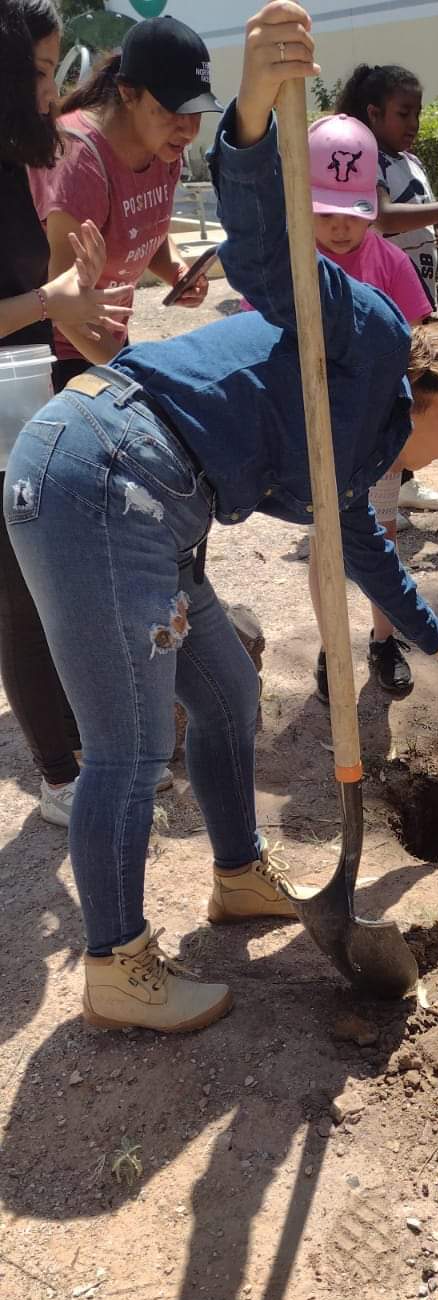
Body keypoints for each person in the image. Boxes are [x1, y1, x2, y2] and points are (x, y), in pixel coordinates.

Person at [3, 0, 438, 1036]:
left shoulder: (360, 445)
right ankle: (117, 964)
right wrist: (255, 116)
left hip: (152, 497)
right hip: (107, 471)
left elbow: (363, 545)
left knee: (225, 690)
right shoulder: (368, 332)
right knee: (130, 747)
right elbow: (268, 256)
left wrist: (435, 639)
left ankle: (236, 875)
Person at [0, 0, 132, 827]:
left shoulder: (22, 160)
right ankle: (57, 775)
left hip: (24, 392)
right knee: (17, 593)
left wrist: (78, 307)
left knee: (52, 574)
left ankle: (80, 744)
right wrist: (53, 300)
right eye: (43, 71)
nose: (53, 90)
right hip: (5, 401)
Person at [304, 111, 433, 701]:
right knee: (326, 545)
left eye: (353, 212)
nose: (339, 227)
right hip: (315, 433)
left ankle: (385, 640)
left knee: (381, 535)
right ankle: (332, 648)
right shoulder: (291, 264)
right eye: (324, 213)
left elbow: (420, 343)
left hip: (377, 433)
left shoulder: (388, 261)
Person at [28, 14, 223, 393]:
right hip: (60, 355)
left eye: (197, 111)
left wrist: (177, 271)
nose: (188, 129)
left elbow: (145, 228)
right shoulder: (80, 161)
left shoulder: (164, 148)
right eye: (174, 109)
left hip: (111, 345)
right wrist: (131, 374)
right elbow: (61, 305)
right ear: (128, 93)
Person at [335, 60, 438, 516]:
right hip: (385, 300)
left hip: (414, 296)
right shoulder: (366, 162)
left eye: (418, 113)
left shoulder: (411, 163)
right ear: (374, 113)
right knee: (385, 395)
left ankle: (400, 478)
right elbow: (382, 218)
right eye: (403, 113)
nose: (413, 124)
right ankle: (369, 492)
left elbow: (415, 224)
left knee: (409, 393)